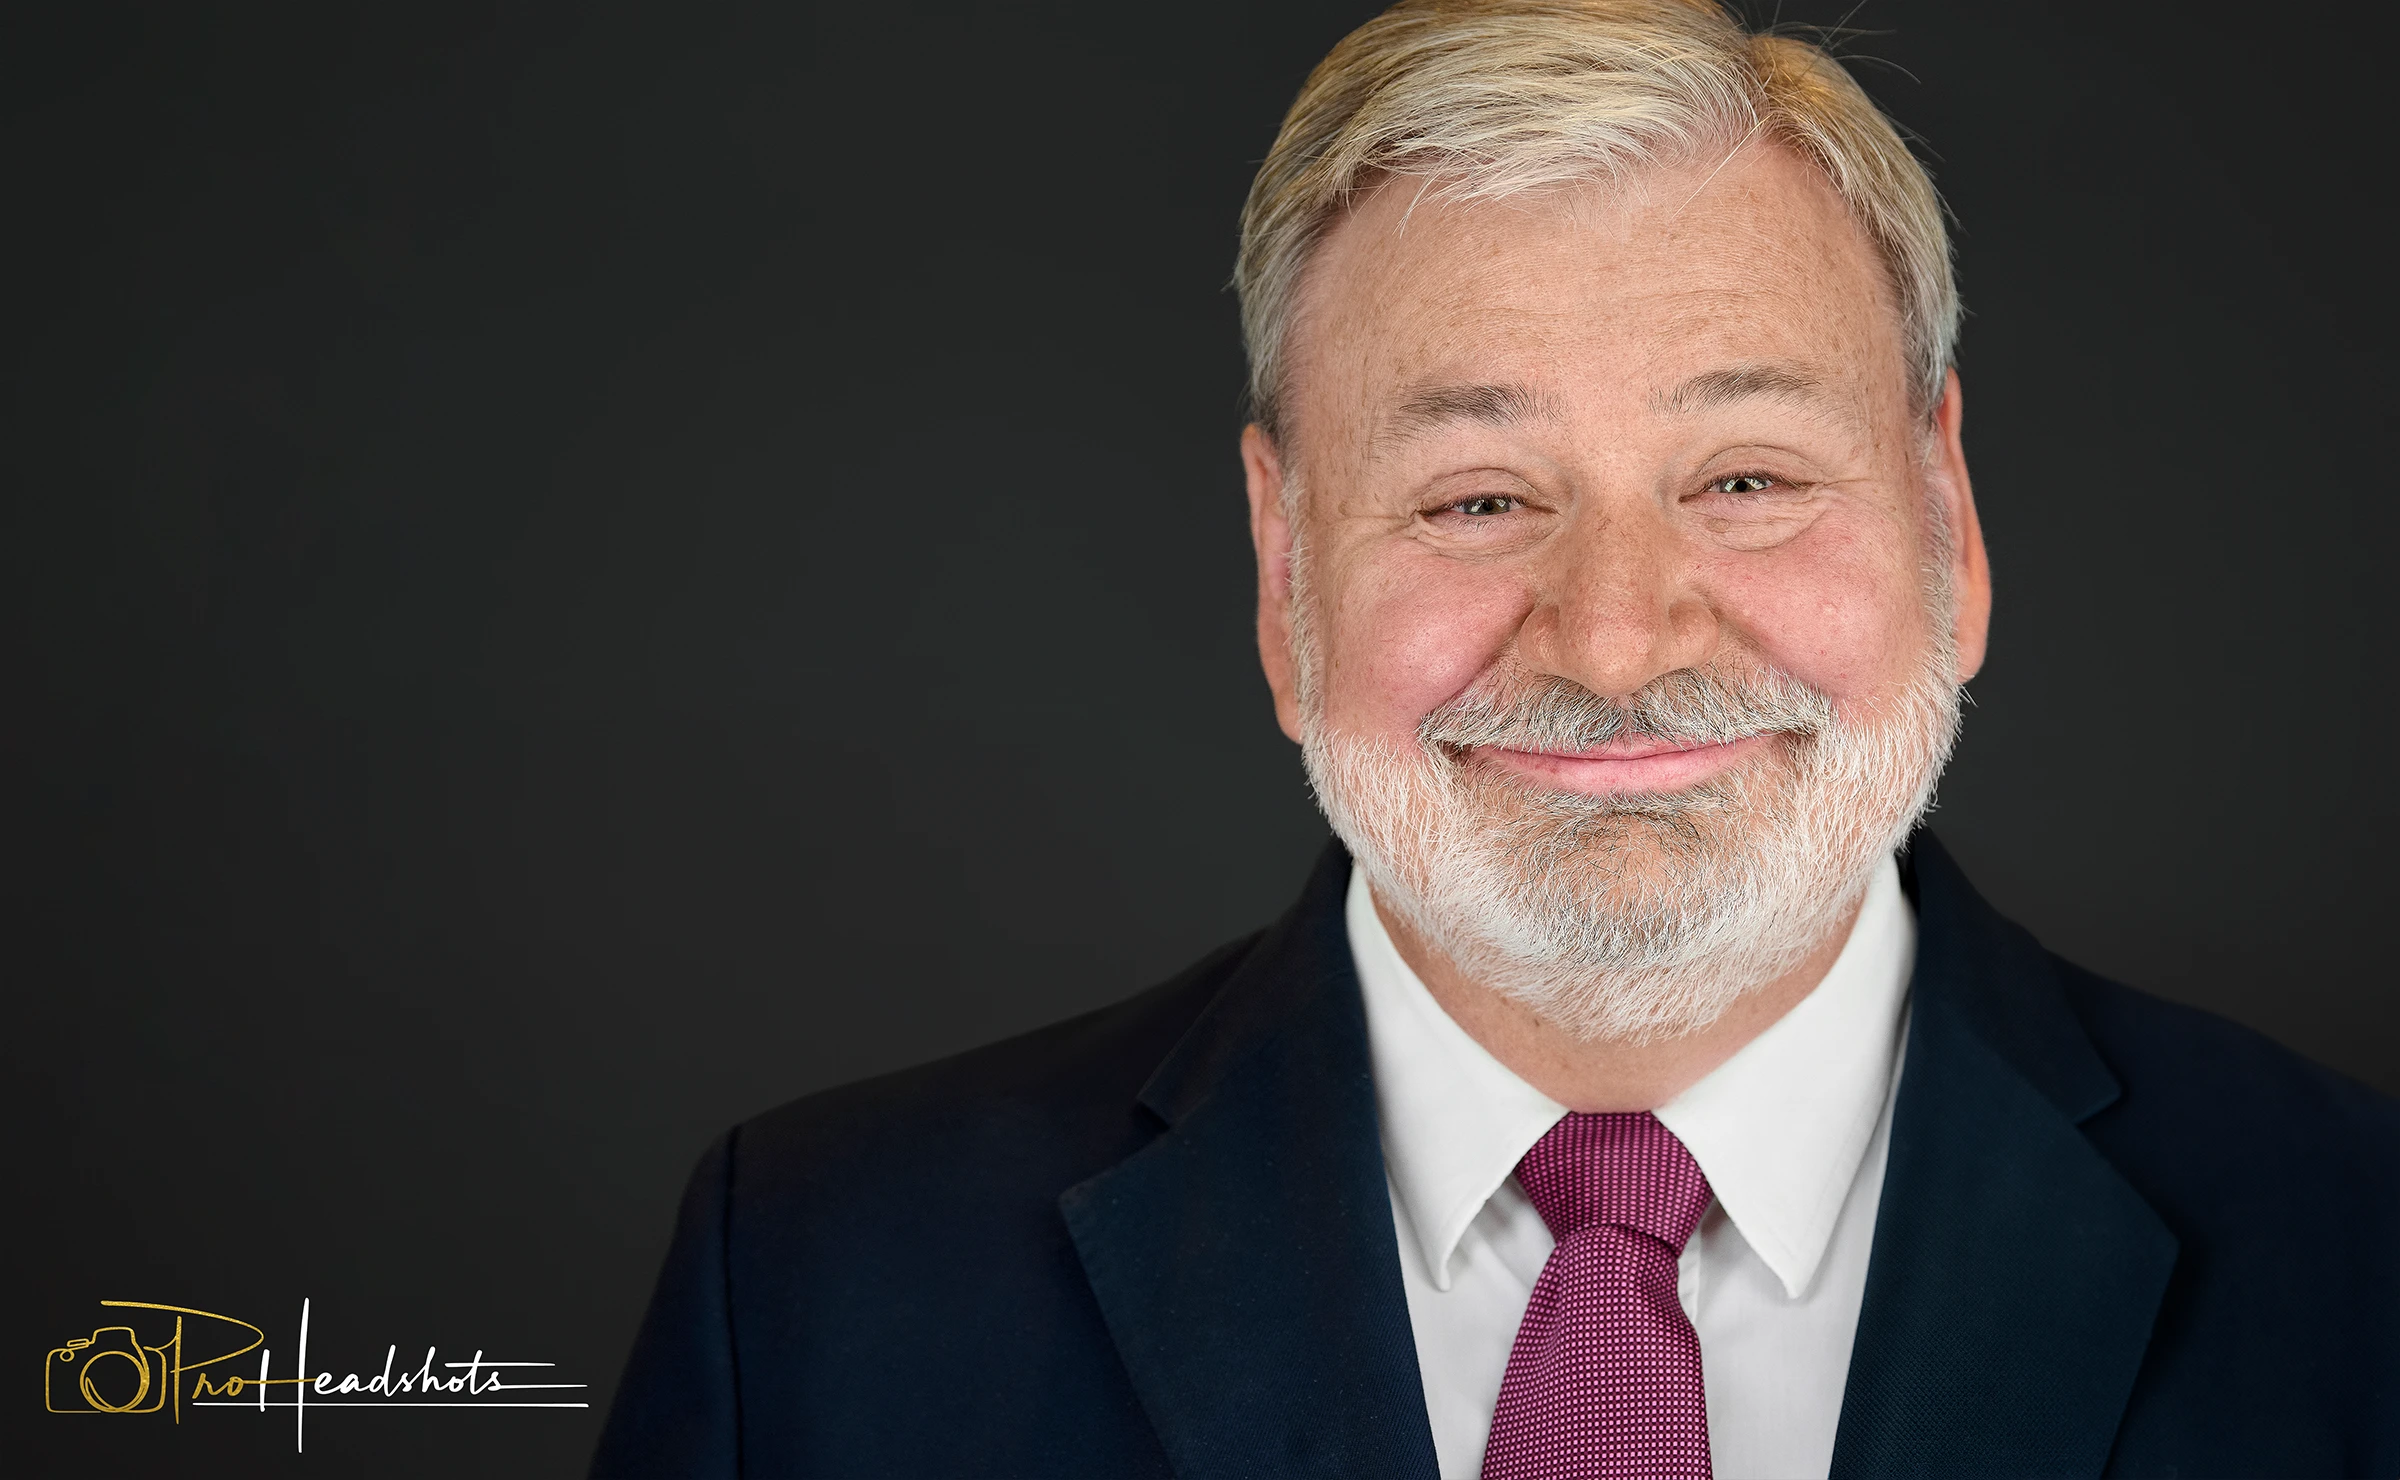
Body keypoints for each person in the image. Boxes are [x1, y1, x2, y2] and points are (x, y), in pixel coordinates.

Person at [591, 2, 2400, 1474]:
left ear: (1950, 518)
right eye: (1473, 499)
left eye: (1748, 478)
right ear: (1286, 565)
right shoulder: (823, 1288)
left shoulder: (2362, 1260)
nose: (1616, 641)